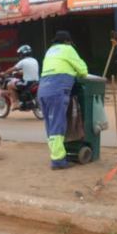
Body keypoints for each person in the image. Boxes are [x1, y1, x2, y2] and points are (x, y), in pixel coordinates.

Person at [38, 30, 88, 170]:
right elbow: (83, 70)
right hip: (57, 90)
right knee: (58, 124)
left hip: (43, 90)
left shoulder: (49, 51)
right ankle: (58, 160)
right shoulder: (68, 49)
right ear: (67, 41)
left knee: (51, 124)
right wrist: (75, 70)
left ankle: (58, 154)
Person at [1, 45, 39, 110]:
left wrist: (4, 73)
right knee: (17, 82)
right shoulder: (34, 60)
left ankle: (15, 103)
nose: (20, 55)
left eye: (20, 54)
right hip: (36, 82)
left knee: (9, 85)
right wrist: (18, 72)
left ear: (22, 53)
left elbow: (12, 69)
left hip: (27, 83)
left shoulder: (23, 61)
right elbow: (28, 71)